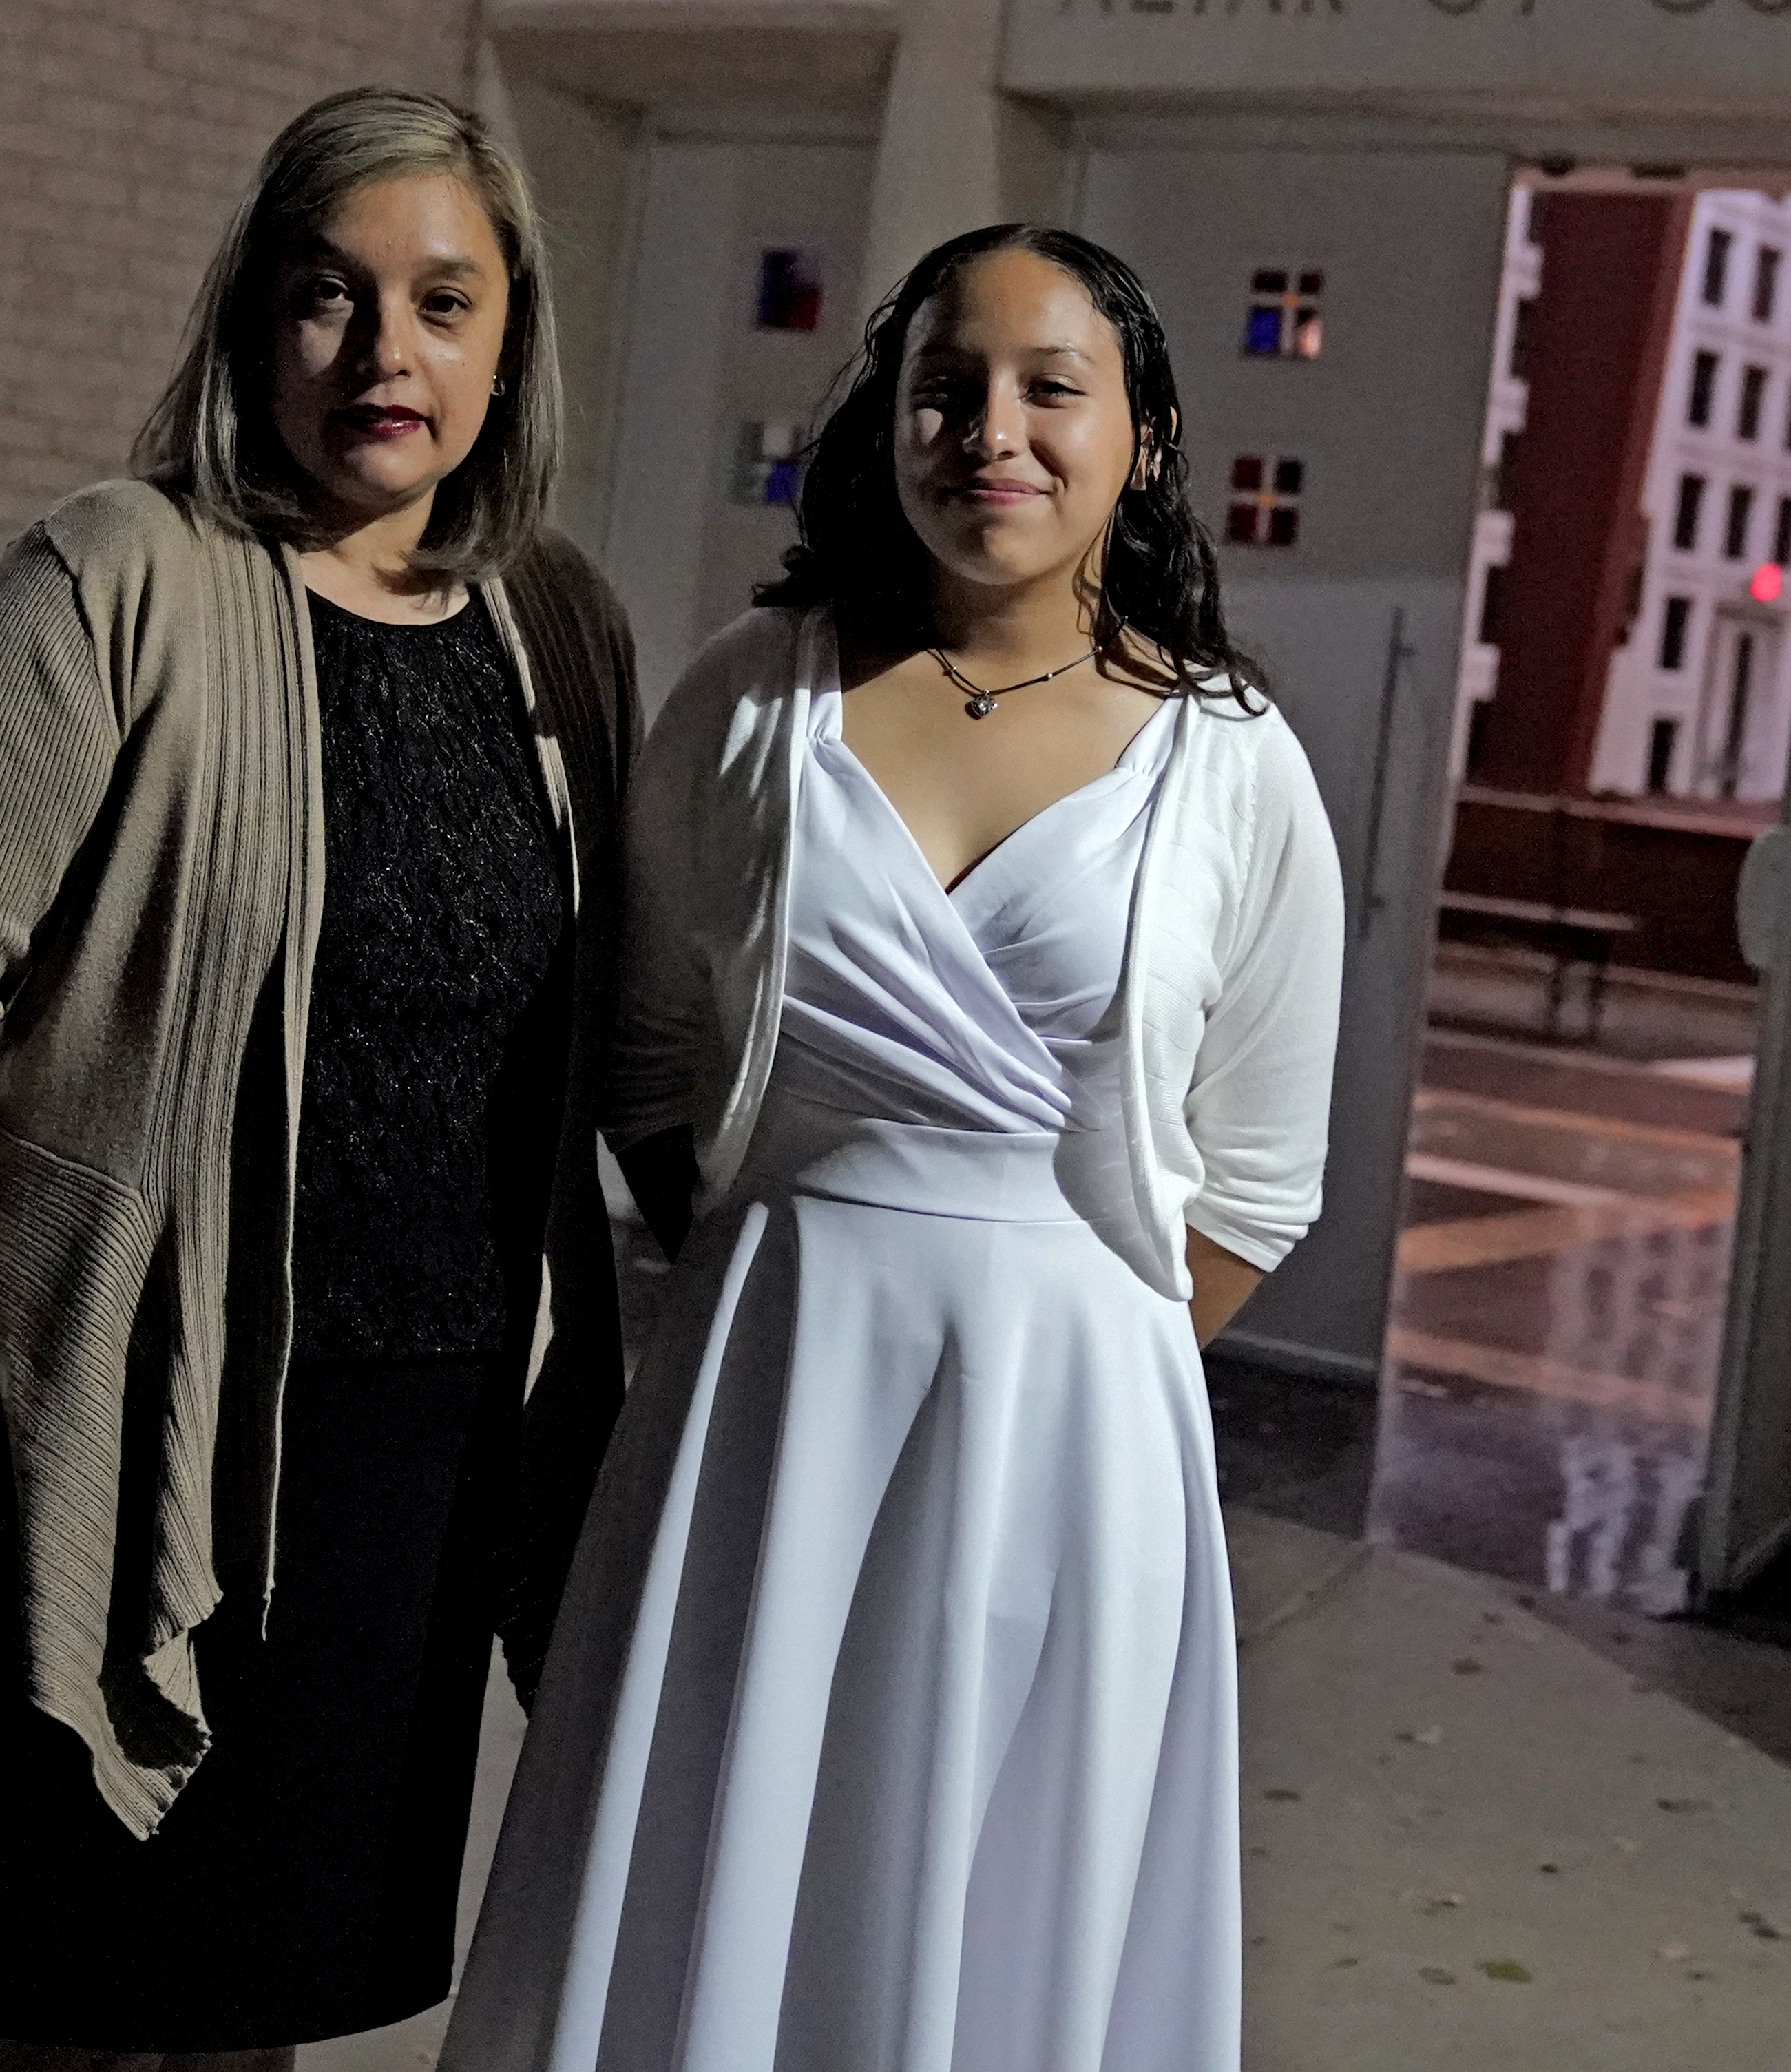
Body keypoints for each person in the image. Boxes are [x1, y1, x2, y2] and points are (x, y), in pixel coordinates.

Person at [438, 222, 1347, 2072]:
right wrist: (804, 1273)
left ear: (1144, 442)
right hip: (768, 1395)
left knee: (989, 1913)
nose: (988, 431)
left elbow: (1254, 1179)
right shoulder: (751, 699)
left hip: (1075, 1443)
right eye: (946, 387)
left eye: (1047, 390)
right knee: (724, 1857)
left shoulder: (1234, 763)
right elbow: (643, 1062)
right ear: (890, 422)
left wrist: (1054, 1355)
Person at [0, 86, 634, 2072]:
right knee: (78, 2005)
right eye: (326, 298)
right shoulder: (114, 582)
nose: (384, 355)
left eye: (443, 303)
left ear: (506, 341)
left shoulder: (559, 631)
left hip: (415, 1462)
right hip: (118, 1418)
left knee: (264, 1999)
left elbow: (611, 1060)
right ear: (252, 325)